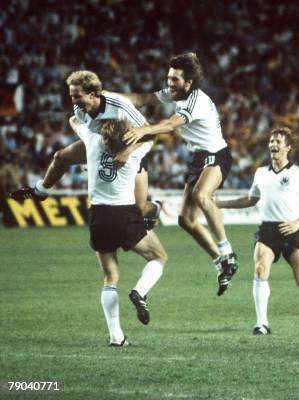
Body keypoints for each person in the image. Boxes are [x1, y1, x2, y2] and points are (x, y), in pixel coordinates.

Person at [116, 52, 237, 296]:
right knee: (186, 220)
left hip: (216, 154)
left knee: (203, 197)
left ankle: (228, 252)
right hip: (198, 159)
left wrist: (144, 129)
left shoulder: (195, 100)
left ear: (188, 83)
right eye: (169, 78)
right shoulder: (176, 93)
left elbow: (171, 124)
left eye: (175, 80)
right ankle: (220, 262)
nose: (169, 83)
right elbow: (141, 98)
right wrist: (107, 98)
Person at [9, 70, 161, 228]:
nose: (73, 101)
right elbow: (79, 124)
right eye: (71, 95)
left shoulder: (119, 105)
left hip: (135, 146)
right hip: (105, 143)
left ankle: (154, 208)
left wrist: (127, 152)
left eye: (77, 96)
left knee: (138, 209)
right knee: (60, 157)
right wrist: (94, 155)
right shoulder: (80, 109)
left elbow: (150, 133)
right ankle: (41, 191)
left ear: (92, 94)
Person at [216, 127, 299, 335]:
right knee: (260, 270)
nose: (273, 145)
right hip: (267, 231)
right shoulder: (260, 173)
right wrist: (220, 204)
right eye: (271, 141)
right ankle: (261, 323)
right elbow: (251, 200)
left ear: (288, 147)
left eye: (278, 142)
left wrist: (297, 223)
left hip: (293, 229)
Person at [68, 117, 167, 346]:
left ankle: (116, 337)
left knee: (110, 278)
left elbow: (74, 119)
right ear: (126, 137)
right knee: (159, 257)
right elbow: (154, 134)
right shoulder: (134, 153)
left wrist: (91, 122)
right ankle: (140, 292)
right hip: (124, 214)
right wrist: (132, 141)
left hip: (98, 217)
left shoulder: (92, 141)